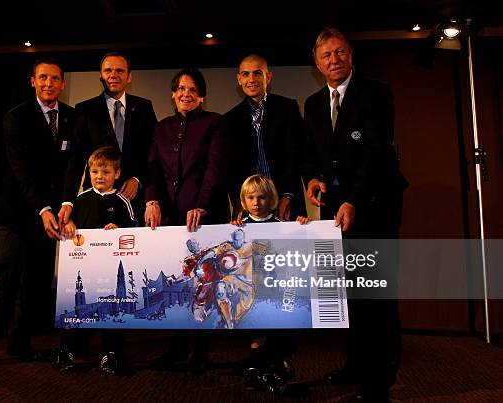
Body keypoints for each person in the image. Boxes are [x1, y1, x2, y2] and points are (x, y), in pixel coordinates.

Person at [0, 57, 77, 373]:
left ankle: (20, 344)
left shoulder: (73, 118)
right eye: (43, 78)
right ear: (32, 81)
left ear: (62, 83)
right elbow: (21, 171)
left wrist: (65, 203)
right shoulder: (15, 117)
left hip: (50, 219)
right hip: (14, 213)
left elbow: (72, 168)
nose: (49, 83)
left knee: (32, 283)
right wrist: (43, 208)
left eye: (55, 78)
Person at [303, 27, 409, 402]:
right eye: (327, 55)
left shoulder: (377, 93)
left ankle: (379, 379)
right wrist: (314, 178)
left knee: (375, 293)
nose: (334, 60)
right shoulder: (313, 104)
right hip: (336, 212)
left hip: (374, 206)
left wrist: (354, 200)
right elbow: (318, 154)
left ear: (351, 55)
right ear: (317, 64)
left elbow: (375, 155)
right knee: (347, 292)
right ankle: (356, 365)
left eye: (340, 52)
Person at [144, 68, 230, 375]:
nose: (186, 93)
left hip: (203, 216)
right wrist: (151, 199)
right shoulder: (162, 127)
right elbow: (152, 167)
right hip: (170, 216)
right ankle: (179, 346)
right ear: (173, 94)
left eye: (193, 89)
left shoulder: (215, 123)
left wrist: (202, 205)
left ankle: (201, 351)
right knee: (176, 281)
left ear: (201, 95)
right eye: (180, 88)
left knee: (202, 283)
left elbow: (214, 168)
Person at [55, 146, 137, 374]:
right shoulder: (80, 200)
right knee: (76, 308)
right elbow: (69, 225)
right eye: (95, 172)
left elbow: (133, 230)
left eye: (106, 172)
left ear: (117, 174)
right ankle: (67, 351)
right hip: (84, 269)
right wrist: (70, 224)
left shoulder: (122, 201)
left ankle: (111, 354)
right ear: (89, 173)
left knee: (113, 310)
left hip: (111, 272)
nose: (100, 177)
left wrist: (118, 230)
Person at [231, 174, 308, 393]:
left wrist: (302, 226)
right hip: (251, 291)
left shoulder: (282, 225)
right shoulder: (239, 227)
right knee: (255, 334)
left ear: (272, 199)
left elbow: (295, 247)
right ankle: (255, 372)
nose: (257, 203)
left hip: (274, 288)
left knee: (278, 332)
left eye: (262, 197)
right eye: (251, 198)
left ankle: (277, 370)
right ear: (244, 201)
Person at [62, 51, 157, 227]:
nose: (113, 75)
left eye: (119, 71)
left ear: (129, 77)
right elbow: (75, 161)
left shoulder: (144, 107)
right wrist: (68, 202)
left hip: (134, 199)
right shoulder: (84, 110)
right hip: (95, 200)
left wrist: (138, 179)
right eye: (108, 70)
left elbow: (153, 153)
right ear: (101, 75)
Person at [225, 54, 307, 222]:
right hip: (249, 205)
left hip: (286, 200)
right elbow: (230, 167)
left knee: (290, 247)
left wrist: (288, 194)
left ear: (268, 77)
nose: (251, 79)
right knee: (250, 248)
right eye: (246, 74)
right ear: (239, 79)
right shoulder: (230, 119)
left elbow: (296, 154)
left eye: (257, 73)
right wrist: (238, 201)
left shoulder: (288, 108)